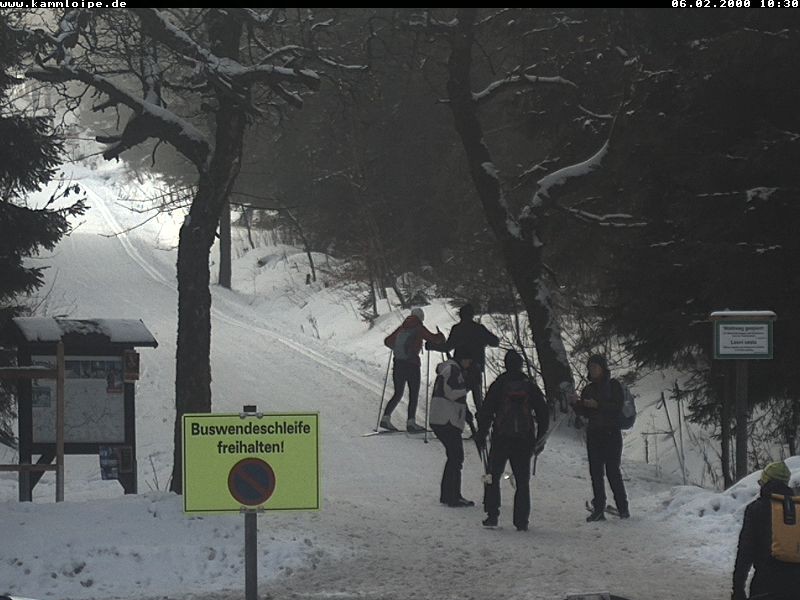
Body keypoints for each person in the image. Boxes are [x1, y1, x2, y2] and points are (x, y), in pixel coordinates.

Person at [476, 349, 549, 531]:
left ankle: (492, 515)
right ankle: (521, 521)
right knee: (522, 482)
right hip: (524, 440)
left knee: (492, 475)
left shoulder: (500, 384)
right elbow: (543, 412)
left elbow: (486, 411)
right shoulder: (529, 385)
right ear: (521, 364)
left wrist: (481, 433)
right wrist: (539, 437)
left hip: (501, 437)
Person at [571, 354, 629, 522]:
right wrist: (577, 404)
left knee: (612, 471)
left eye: (595, 367)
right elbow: (585, 414)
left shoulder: (613, 385)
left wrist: (598, 405)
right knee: (595, 472)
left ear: (603, 368)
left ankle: (623, 507)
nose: (593, 370)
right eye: (590, 368)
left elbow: (617, 407)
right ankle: (598, 509)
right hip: (594, 433)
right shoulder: (588, 389)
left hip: (611, 433)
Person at [732, 461, 800, 600]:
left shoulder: (757, 509)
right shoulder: (798, 509)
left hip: (765, 585)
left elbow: (745, 551)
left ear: (765, 482)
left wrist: (738, 587)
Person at [381, 307, 445, 432]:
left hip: (398, 364)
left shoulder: (402, 327)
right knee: (413, 394)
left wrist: (396, 347)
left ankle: (385, 418)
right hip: (412, 365)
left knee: (398, 393)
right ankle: (411, 422)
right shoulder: (419, 328)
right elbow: (433, 339)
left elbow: (387, 341)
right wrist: (441, 337)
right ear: (421, 317)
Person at [428, 303, 499, 414]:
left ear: (461, 316)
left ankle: (468, 420)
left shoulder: (457, 329)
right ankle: (481, 426)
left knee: (458, 396)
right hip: (475, 368)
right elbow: (495, 342)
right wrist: (484, 341)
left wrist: (432, 346)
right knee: (478, 401)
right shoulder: (479, 329)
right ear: (472, 315)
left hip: (459, 370)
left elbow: (447, 347)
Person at [429, 355, 475, 507]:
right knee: (456, 457)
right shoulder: (453, 370)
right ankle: (453, 496)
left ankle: (447, 494)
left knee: (453, 456)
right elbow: (451, 392)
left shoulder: (449, 369)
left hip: (442, 417)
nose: (469, 364)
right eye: (469, 360)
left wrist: (466, 412)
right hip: (446, 419)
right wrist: (467, 386)